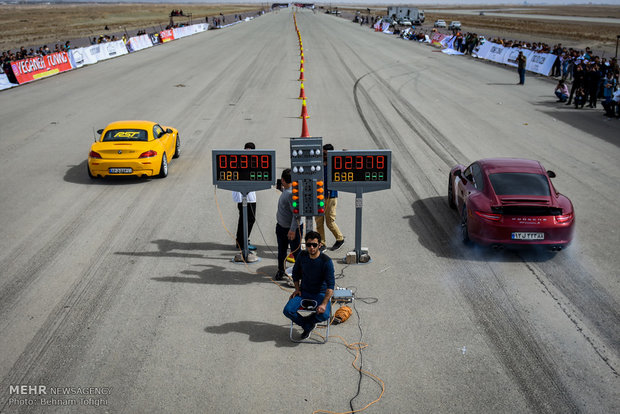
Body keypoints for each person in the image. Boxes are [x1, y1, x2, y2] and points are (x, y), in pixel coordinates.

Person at [283, 231, 335, 339]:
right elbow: (295, 273)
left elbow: (330, 286)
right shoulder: (302, 255)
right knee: (287, 310)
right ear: (305, 245)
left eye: (314, 245)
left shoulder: (326, 261)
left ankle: (310, 321)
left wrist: (324, 304)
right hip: (304, 292)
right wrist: (297, 289)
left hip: (320, 293)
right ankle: (307, 325)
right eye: (308, 245)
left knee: (325, 315)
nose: (311, 248)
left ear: (319, 245)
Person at [315, 144, 345, 252]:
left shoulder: (334, 164)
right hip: (318, 196)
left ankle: (340, 238)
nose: (323, 155)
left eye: (325, 154)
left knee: (329, 221)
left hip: (330, 196)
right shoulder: (318, 164)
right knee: (318, 222)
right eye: (322, 153)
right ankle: (321, 243)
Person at [275, 168, 302, 280]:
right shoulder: (288, 190)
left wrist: (292, 230)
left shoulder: (290, 194)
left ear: (283, 180)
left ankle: (300, 274)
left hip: (290, 229)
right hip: (282, 226)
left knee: (296, 252)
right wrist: (282, 189)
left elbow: (296, 214)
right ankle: (281, 270)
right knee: (282, 251)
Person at [233, 142, 257, 251]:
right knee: (245, 219)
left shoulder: (254, 162)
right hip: (243, 196)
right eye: (246, 150)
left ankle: (242, 240)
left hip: (251, 196)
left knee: (249, 219)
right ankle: (242, 242)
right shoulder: (240, 162)